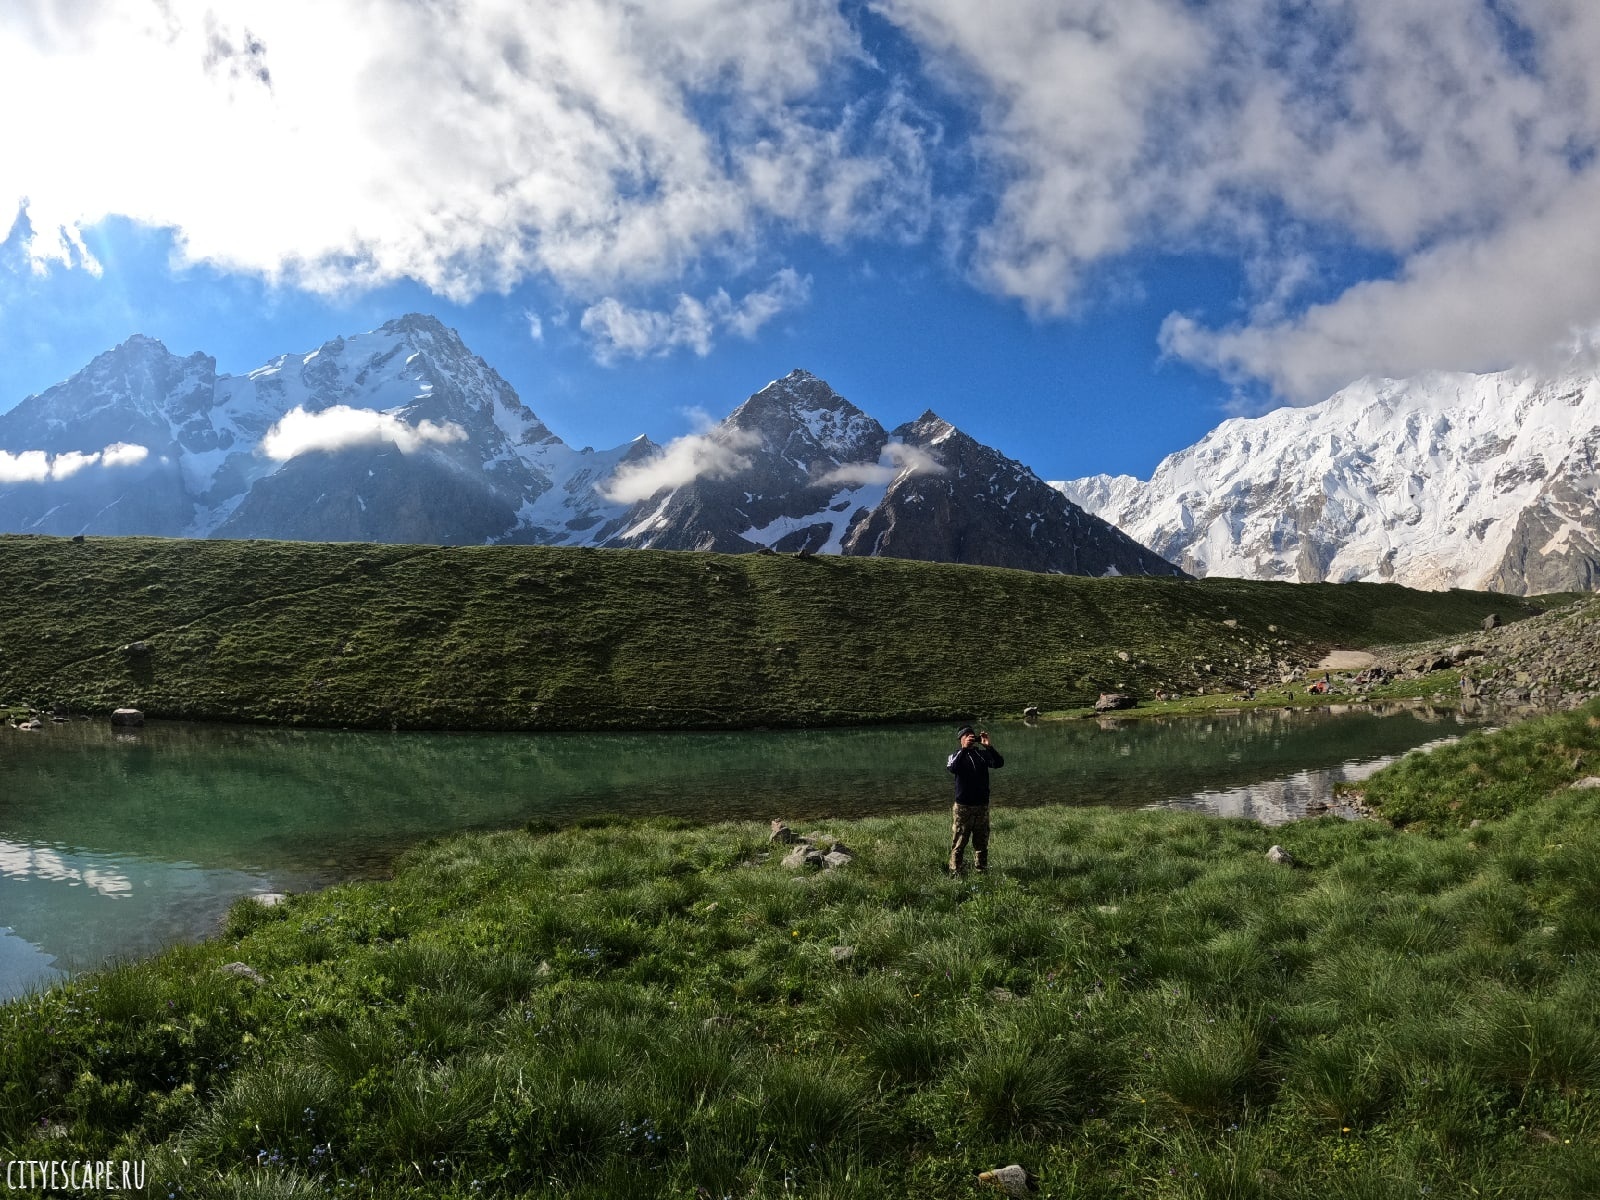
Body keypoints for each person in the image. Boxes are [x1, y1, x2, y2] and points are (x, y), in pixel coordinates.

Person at [947, 724, 1004, 874]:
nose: (970, 738)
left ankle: (981, 869)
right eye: (966, 736)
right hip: (963, 807)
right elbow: (953, 768)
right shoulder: (955, 755)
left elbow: (999, 763)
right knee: (959, 841)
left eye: (972, 736)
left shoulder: (982, 755)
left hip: (981, 806)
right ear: (961, 739)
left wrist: (989, 747)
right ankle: (955, 871)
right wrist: (964, 749)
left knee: (982, 841)